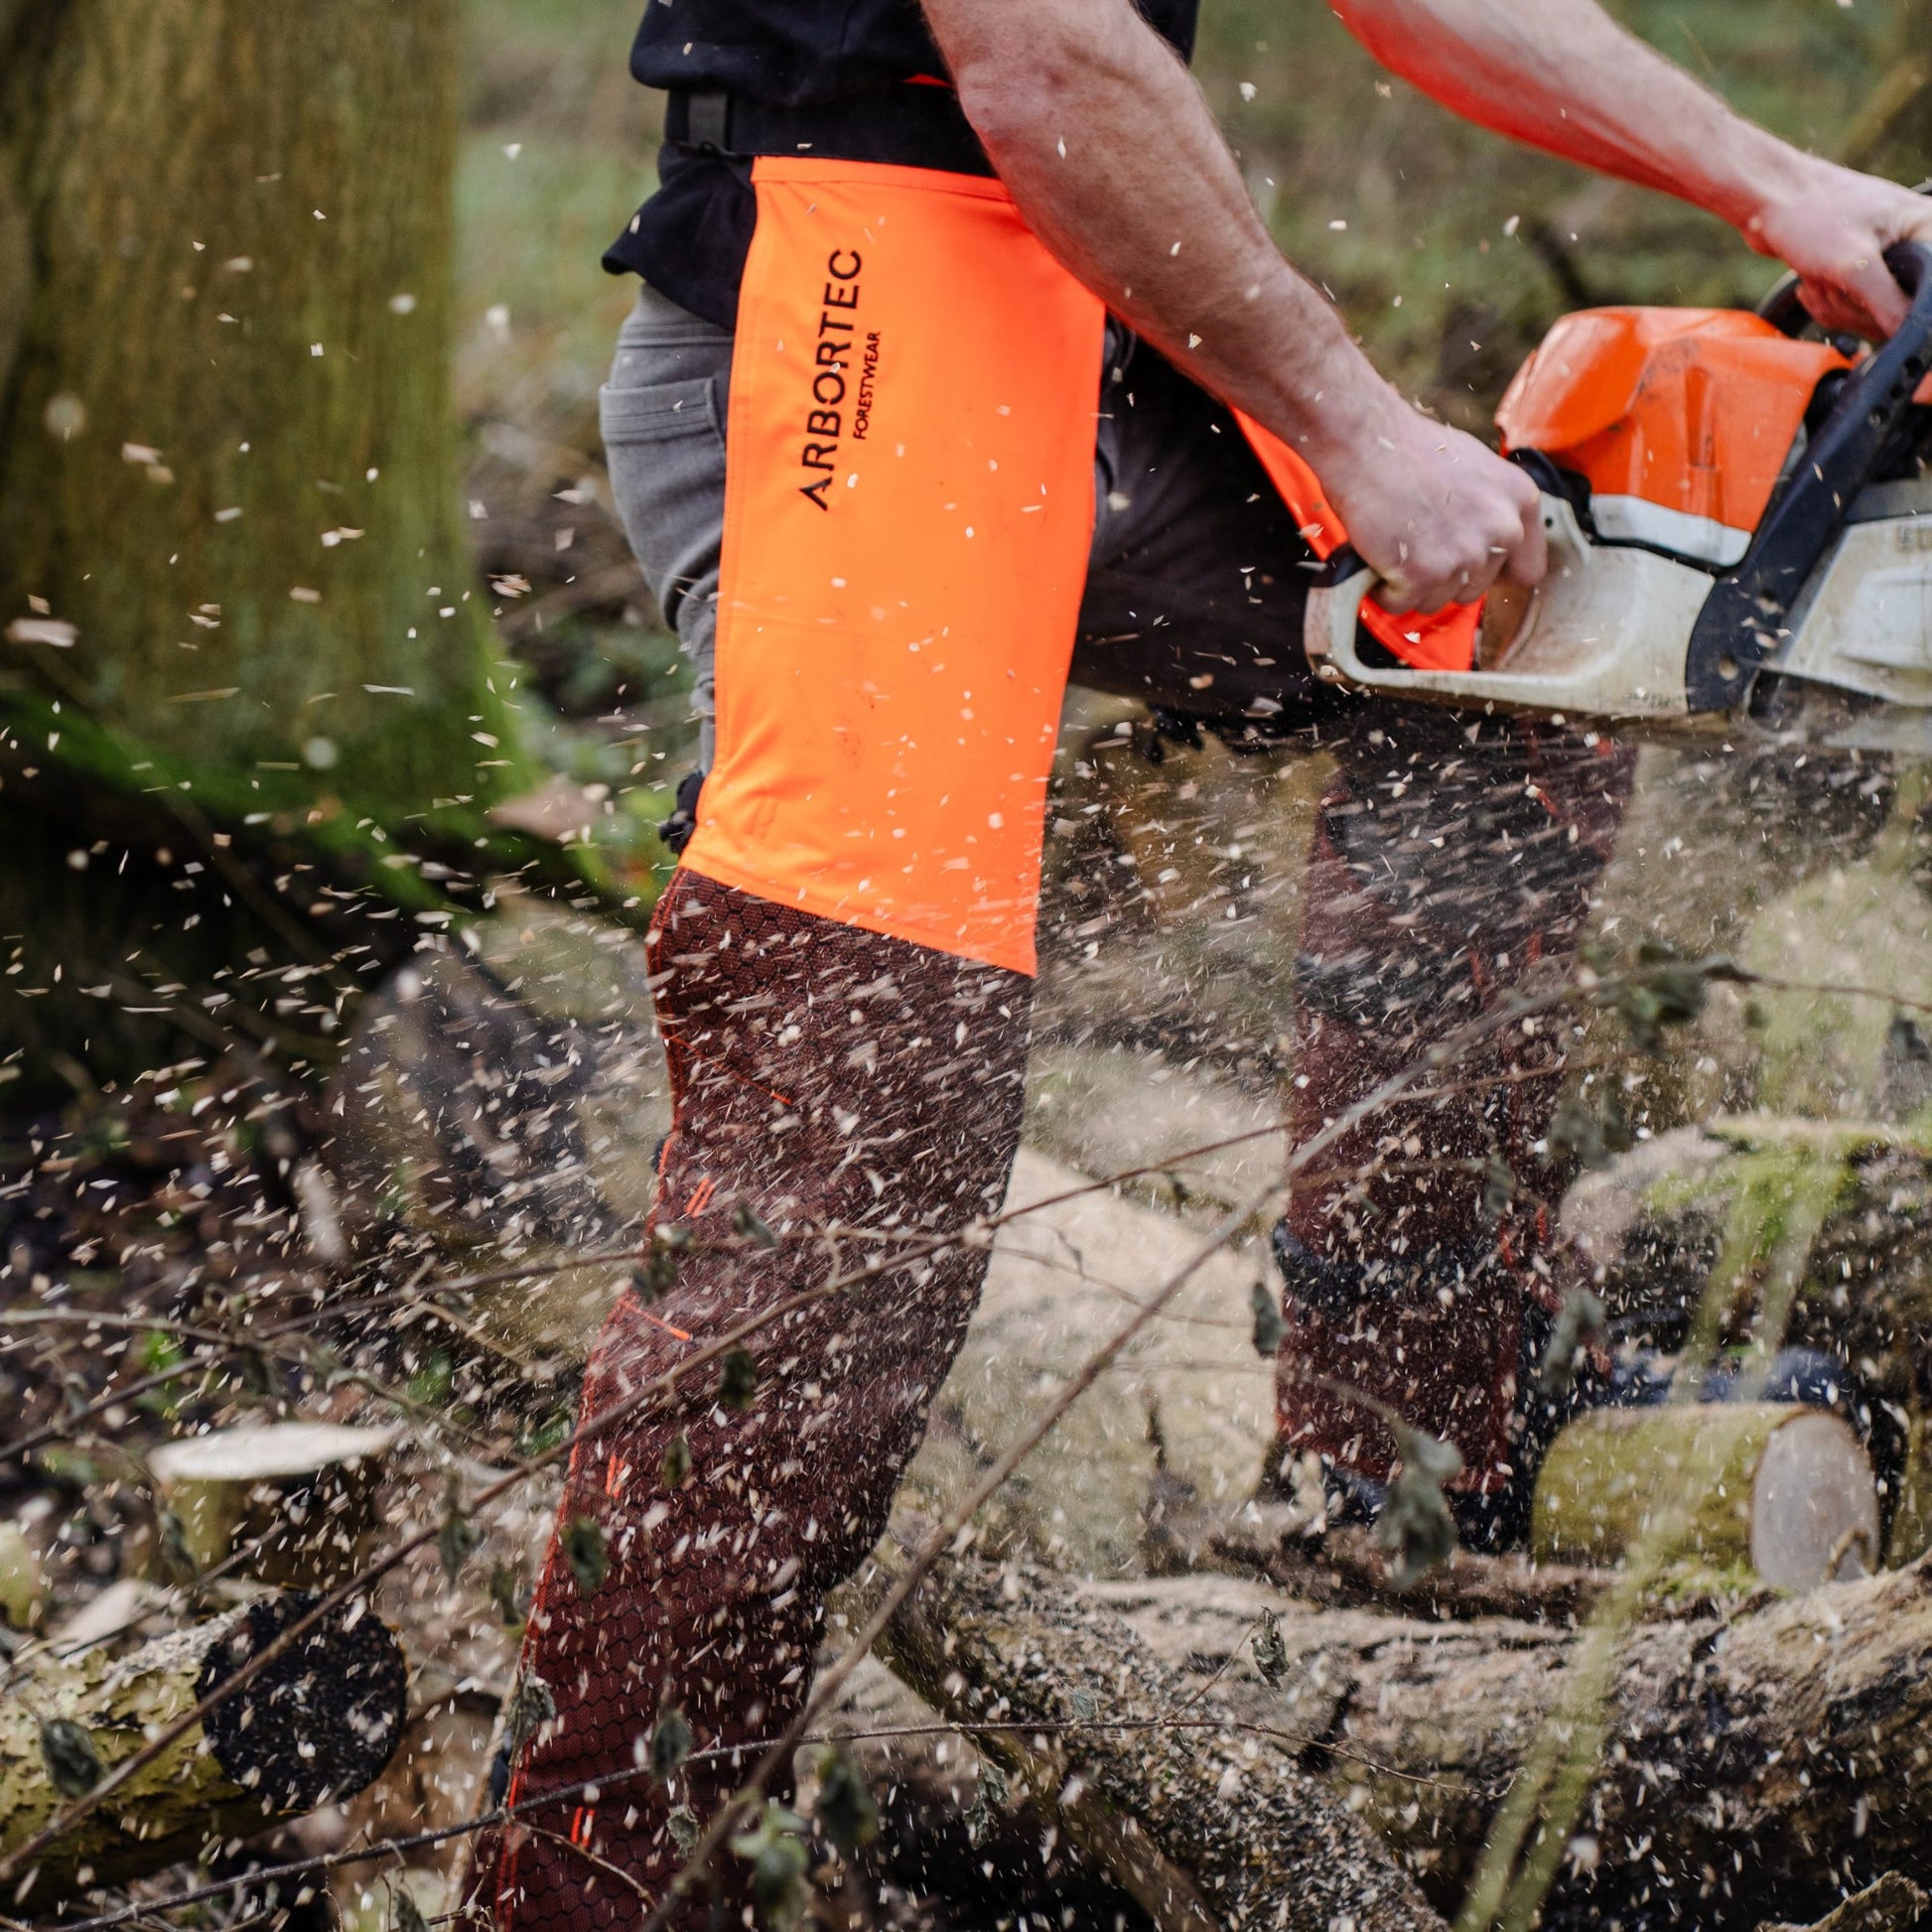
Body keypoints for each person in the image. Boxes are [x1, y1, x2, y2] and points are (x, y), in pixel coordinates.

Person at [467, 2, 1932, 1924]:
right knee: (856, 1141)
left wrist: (1769, 178)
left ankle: (1409, 1451)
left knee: (1487, 671)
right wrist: (1354, 426)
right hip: (844, 292)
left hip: (1068, 304)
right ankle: (592, 1882)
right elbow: (1047, 58)